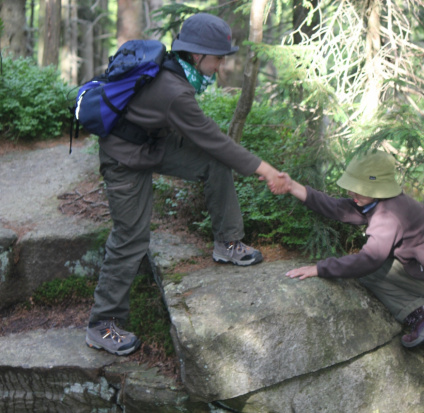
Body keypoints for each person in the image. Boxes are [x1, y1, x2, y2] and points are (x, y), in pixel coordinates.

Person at [86, 13, 288, 356]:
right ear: (197, 56)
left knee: (213, 162)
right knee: (131, 237)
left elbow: (209, 146)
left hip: (149, 145)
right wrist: (265, 169)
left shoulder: (176, 72)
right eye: (218, 58)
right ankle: (101, 324)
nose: (221, 66)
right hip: (123, 157)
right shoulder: (175, 90)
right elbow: (214, 139)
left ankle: (228, 242)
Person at [280, 150, 424, 413]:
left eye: (361, 189)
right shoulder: (381, 203)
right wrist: (293, 187)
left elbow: (369, 259)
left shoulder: (388, 214)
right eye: (354, 188)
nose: (354, 194)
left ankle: (421, 311)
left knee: (368, 270)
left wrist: (321, 268)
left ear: (379, 188)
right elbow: (339, 208)